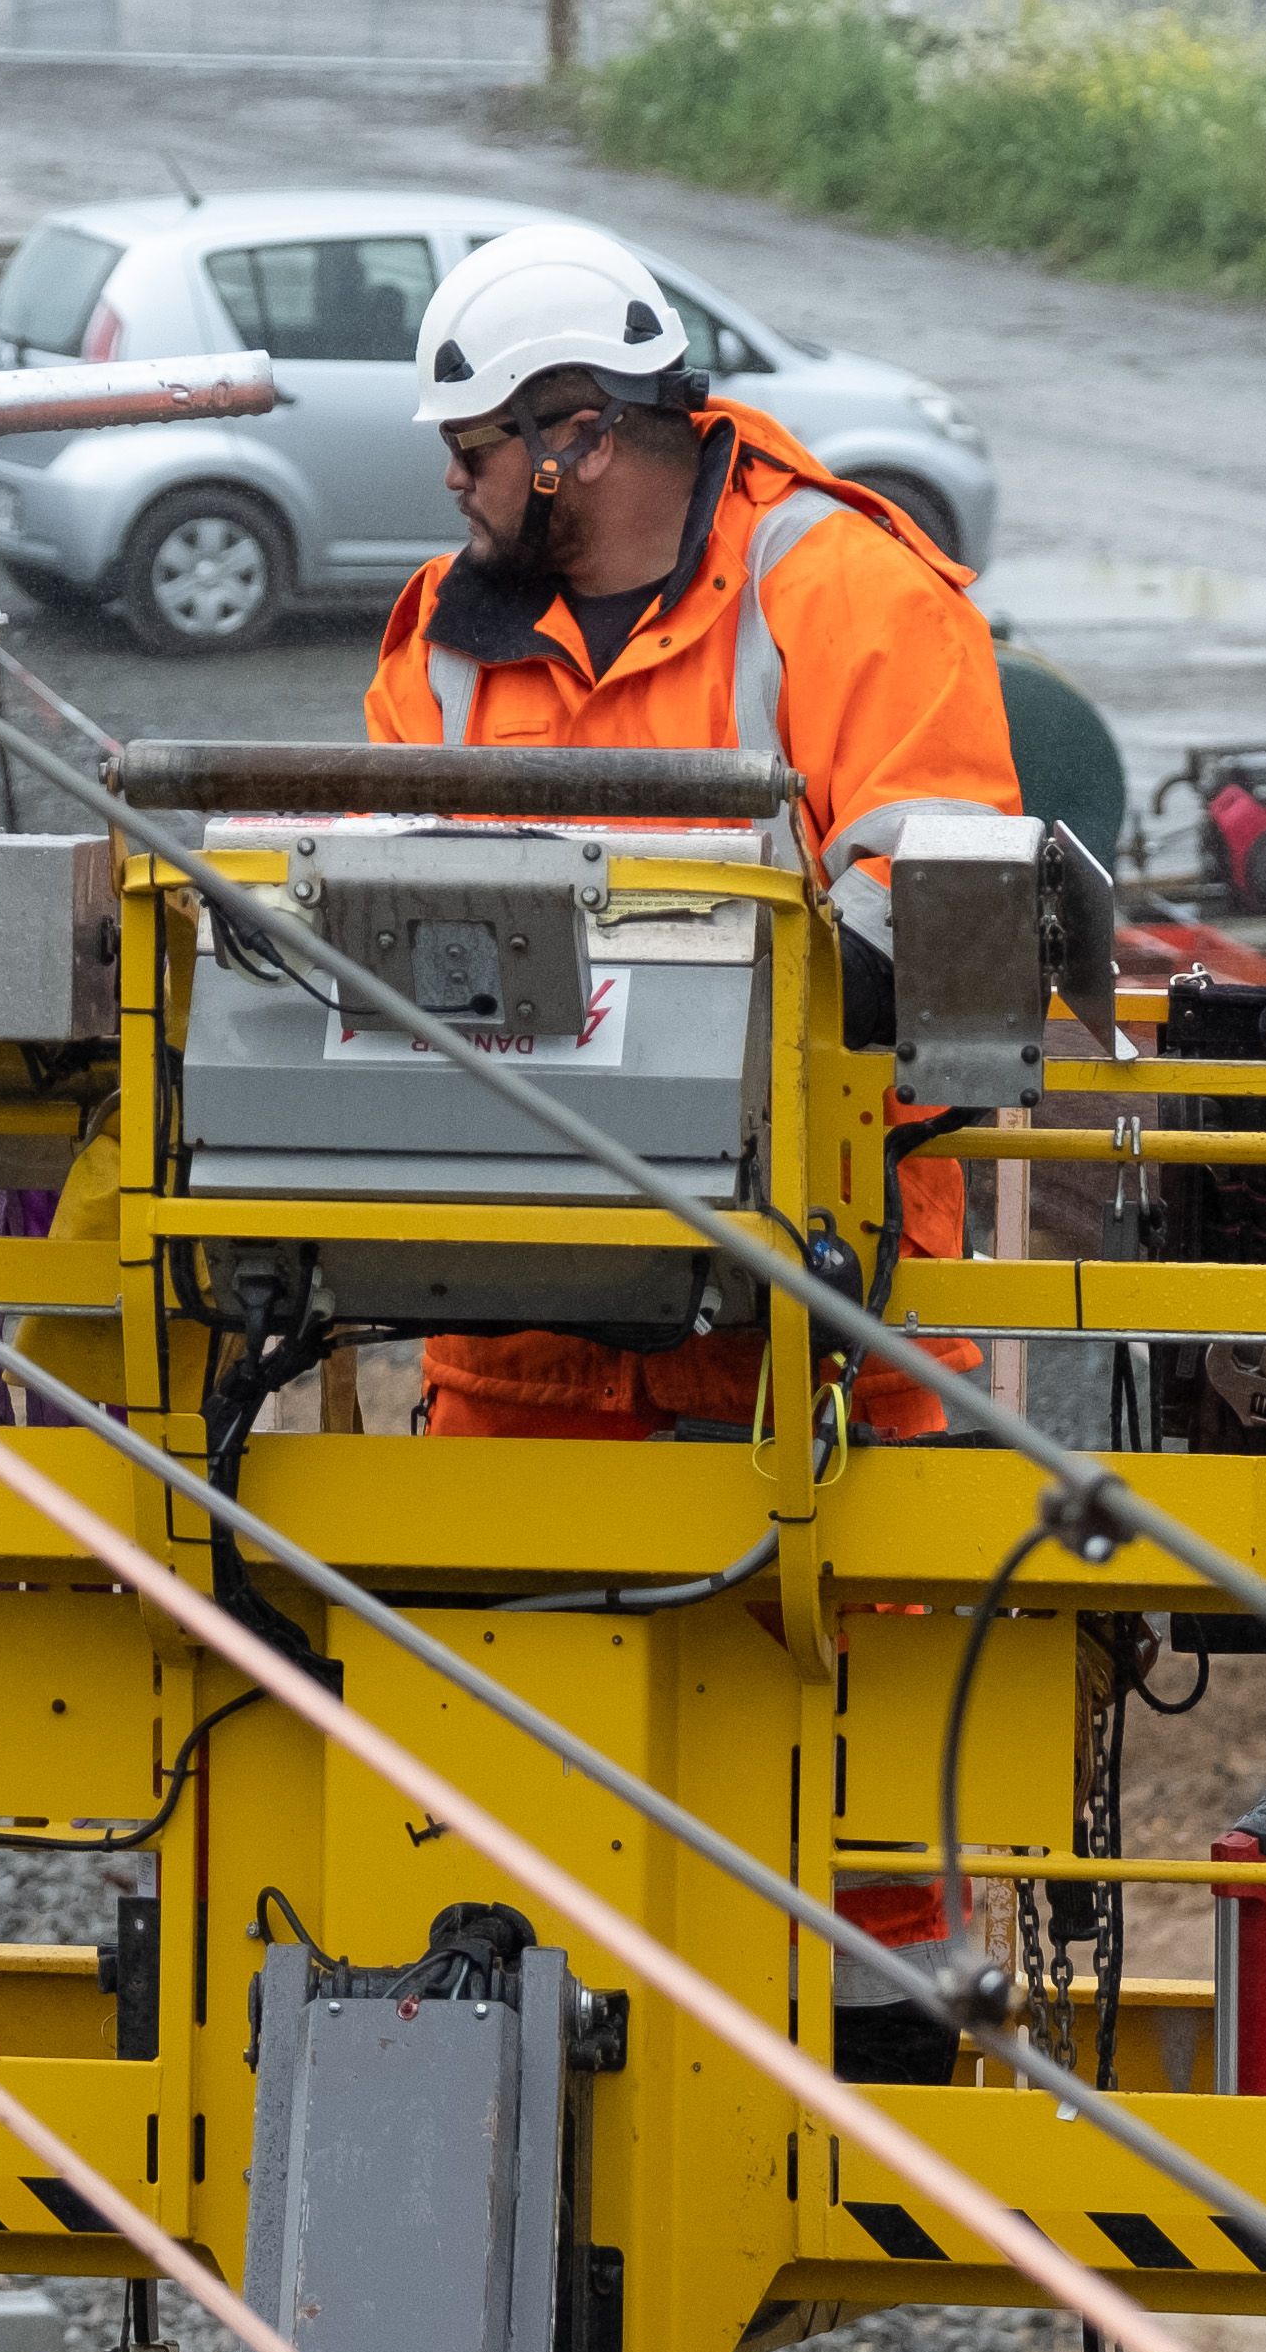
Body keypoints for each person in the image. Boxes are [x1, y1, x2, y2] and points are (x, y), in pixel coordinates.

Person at [364, 221, 1030, 1441]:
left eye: (472, 448)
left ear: (581, 435)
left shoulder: (854, 594)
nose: (453, 481)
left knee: (856, 1645)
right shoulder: (443, 639)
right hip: (521, 1364)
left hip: (821, 1341)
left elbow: (934, 903)